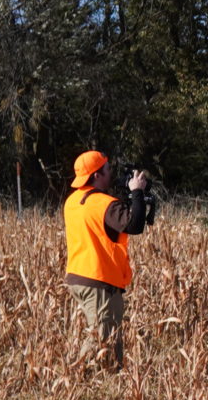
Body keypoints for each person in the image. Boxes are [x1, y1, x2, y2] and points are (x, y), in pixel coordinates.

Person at [63, 149, 155, 371]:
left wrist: (131, 198)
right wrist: (136, 193)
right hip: (98, 278)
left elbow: (107, 226)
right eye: (107, 169)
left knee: (111, 332)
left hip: (80, 276)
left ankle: (113, 375)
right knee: (101, 335)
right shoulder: (103, 203)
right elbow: (134, 225)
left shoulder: (73, 201)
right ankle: (73, 378)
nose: (111, 173)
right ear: (96, 175)